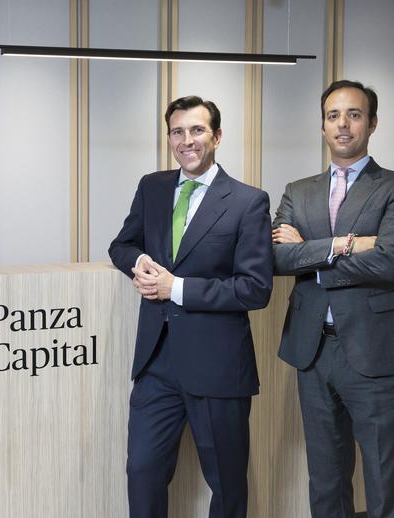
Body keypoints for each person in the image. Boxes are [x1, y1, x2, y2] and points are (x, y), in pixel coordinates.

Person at [109, 96, 273, 518]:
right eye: (177, 132)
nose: (187, 141)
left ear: (217, 136)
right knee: (142, 471)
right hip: (157, 362)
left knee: (227, 484)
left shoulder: (248, 201)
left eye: (197, 130)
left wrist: (175, 287)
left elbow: (254, 289)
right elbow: (121, 244)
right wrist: (139, 262)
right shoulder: (152, 187)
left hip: (218, 367)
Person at [272, 79, 394, 518]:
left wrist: (310, 253)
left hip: (378, 351)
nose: (343, 124)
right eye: (333, 116)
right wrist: (345, 244)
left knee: (384, 479)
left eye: (354, 115)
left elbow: (388, 261)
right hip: (313, 350)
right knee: (326, 479)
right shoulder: (298, 190)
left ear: (372, 123)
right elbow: (277, 259)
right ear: (322, 125)